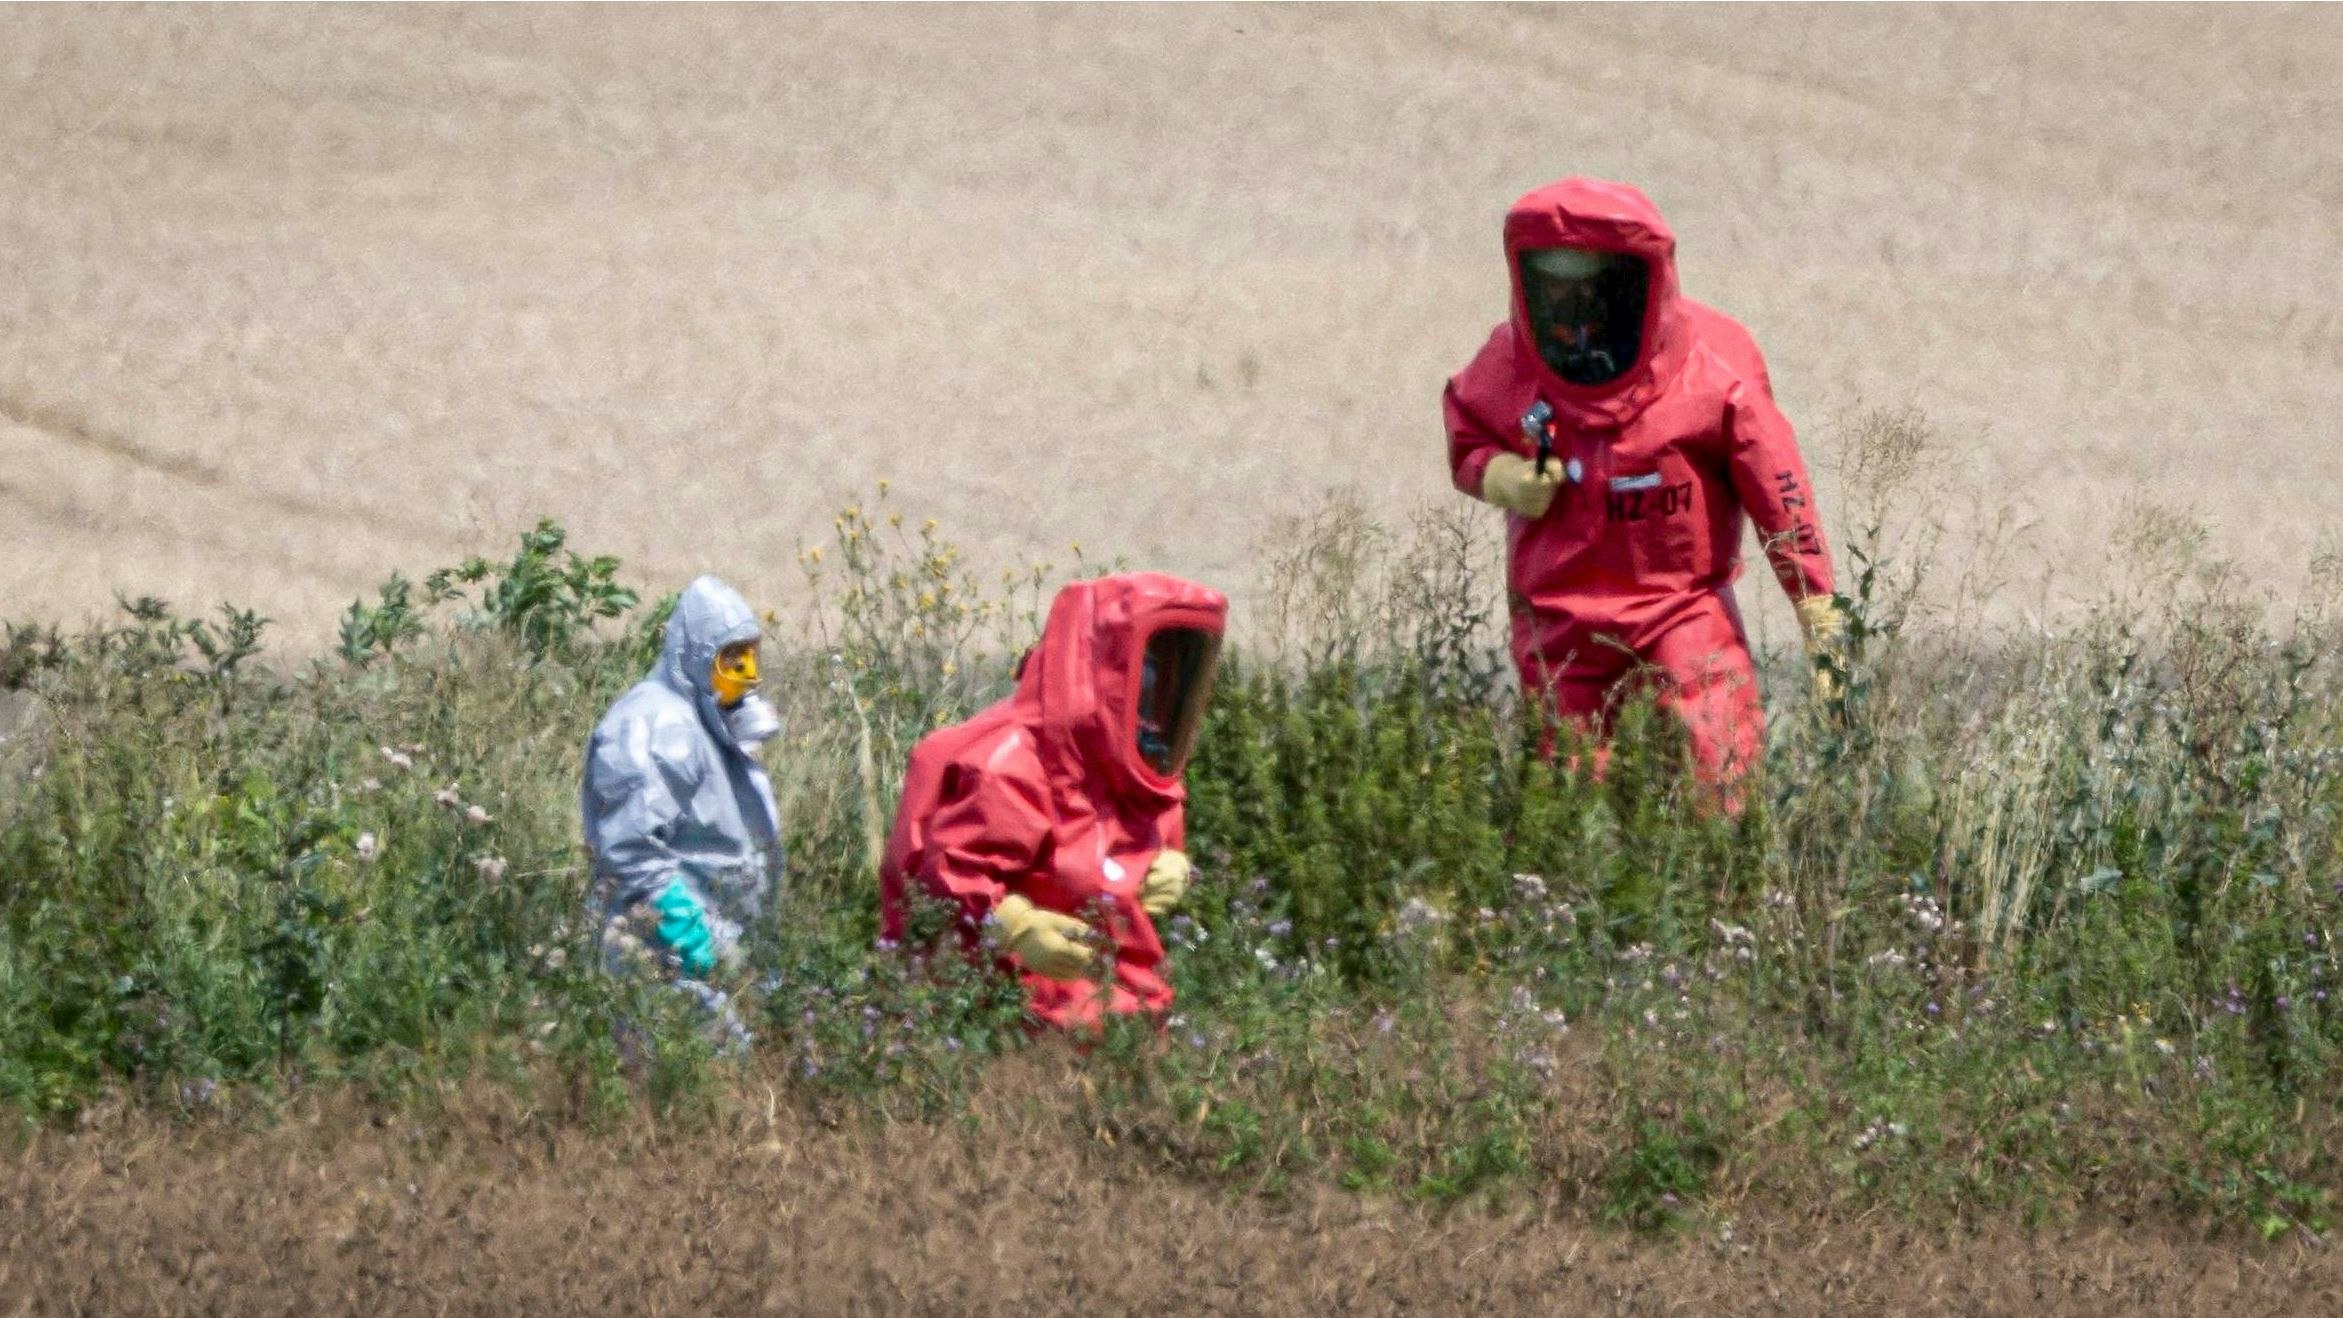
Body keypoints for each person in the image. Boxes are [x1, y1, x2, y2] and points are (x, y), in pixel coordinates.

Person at [1443, 177, 1848, 795]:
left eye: (1592, 291)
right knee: (1566, 789)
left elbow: (1781, 493)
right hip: (1560, 617)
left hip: (1681, 610)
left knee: (1719, 761)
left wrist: (1818, 612)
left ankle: (1725, 885)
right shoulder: (1512, 365)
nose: (1575, 317)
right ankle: (1574, 889)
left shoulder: (1713, 376)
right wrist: (1505, 478)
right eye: (1555, 291)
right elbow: (1466, 431)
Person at [880, 572, 1225, 1031]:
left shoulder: (1138, 770)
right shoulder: (1011, 767)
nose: (1154, 709)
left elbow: (1150, 825)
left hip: (1126, 1017)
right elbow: (948, 882)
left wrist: (1173, 862)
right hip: (1017, 1027)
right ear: (1105, 673)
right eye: (1143, 683)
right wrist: (1013, 926)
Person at [581, 575, 784, 1054]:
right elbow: (629, 844)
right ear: (693, 655)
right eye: (732, 660)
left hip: (716, 939)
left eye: (751, 657)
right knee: (694, 1081)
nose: (748, 675)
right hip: (668, 948)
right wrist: (684, 930)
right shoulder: (654, 722)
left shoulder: (699, 721)